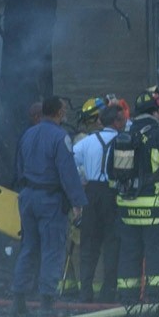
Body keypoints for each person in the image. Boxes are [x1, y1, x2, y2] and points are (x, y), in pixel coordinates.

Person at [11, 95, 88, 315]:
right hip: (50, 199)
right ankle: (46, 303)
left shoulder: (28, 134)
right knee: (52, 249)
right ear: (59, 112)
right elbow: (67, 172)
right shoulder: (60, 137)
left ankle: (18, 300)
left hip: (27, 197)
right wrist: (77, 201)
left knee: (28, 247)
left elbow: (19, 167)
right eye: (64, 110)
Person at [113, 86, 159, 303]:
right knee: (156, 251)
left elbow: (112, 175)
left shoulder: (123, 137)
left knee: (129, 252)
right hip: (155, 208)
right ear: (156, 112)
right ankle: (155, 299)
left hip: (127, 208)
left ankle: (127, 298)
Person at [73, 102, 123, 303]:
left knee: (89, 244)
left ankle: (85, 291)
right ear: (117, 122)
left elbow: (69, 162)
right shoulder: (123, 141)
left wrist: (81, 181)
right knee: (112, 243)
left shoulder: (87, 142)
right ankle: (108, 291)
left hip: (91, 193)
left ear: (101, 121)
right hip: (113, 194)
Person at [62, 96, 107, 298]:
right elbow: (77, 173)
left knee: (80, 242)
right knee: (83, 243)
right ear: (97, 119)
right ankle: (90, 287)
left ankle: (74, 286)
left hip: (81, 198)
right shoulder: (84, 141)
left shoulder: (87, 139)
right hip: (83, 199)